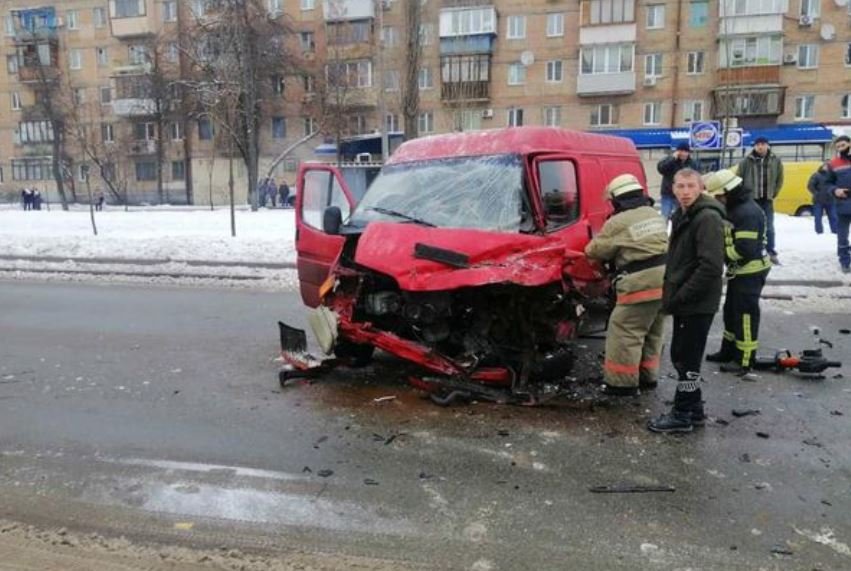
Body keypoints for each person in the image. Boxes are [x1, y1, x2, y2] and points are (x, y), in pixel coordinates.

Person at [648, 169, 725, 434]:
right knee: (682, 355)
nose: (685, 191)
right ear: (672, 189)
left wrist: (681, 297)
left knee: (687, 360)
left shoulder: (707, 218)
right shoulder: (683, 214)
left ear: (701, 188)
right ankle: (694, 408)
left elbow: (711, 267)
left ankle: (682, 415)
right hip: (685, 298)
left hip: (696, 302)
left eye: (691, 186)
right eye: (680, 186)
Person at [585, 174, 668, 396]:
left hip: (641, 282)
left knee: (625, 330)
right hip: (666, 280)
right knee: (652, 329)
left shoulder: (618, 221)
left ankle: (621, 383)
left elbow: (594, 251)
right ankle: (647, 376)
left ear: (616, 199)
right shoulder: (653, 214)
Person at [703, 170, 771, 375]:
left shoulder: (747, 212)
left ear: (727, 192)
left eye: (718, 196)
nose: (717, 200)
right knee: (731, 311)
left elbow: (745, 249)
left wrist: (720, 256)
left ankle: (744, 359)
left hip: (750, 271)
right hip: (740, 270)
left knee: (745, 316)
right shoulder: (737, 208)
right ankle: (728, 351)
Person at [736, 136, 783, 265]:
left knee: (769, 228)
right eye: (757, 145)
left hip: (767, 199)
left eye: (763, 144)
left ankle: (771, 252)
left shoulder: (776, 160)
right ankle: (753, 252)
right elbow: (738, 179)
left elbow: (780, 179)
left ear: (767, 145)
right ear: (754, 146)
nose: (760, 147)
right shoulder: (746, 161)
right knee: (752, 227)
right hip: (752, 200)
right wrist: (743, 196)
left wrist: (774, 193)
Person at [824, 135, 851, 273]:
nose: (841, 148)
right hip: (843, 204)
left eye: (843, 145)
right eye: (838, 147)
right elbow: (827, 183)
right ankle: (845, 261)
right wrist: (835, 190)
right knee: (842, 236)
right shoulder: (833, 164)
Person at [656, 141, 697, 220]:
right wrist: (672, 158)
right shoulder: (670, 160)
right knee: (664, 217)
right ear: (677, 152)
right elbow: (661, 168)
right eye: (681, 151)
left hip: (682, 194)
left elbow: (695, 177)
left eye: (685, 151)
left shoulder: (692, 163)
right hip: (667, 194)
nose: (683, 153)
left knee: (680, 218)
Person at [807, 163, 837, 235]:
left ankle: (835, 231)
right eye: (825, 166)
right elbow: (810, 185)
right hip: (818, 200)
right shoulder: (816, 175)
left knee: (833, 216)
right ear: (822, 167)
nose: (826, 167)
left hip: (831, 200)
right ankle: (819, 232)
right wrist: (816, 193)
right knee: (818, 217)